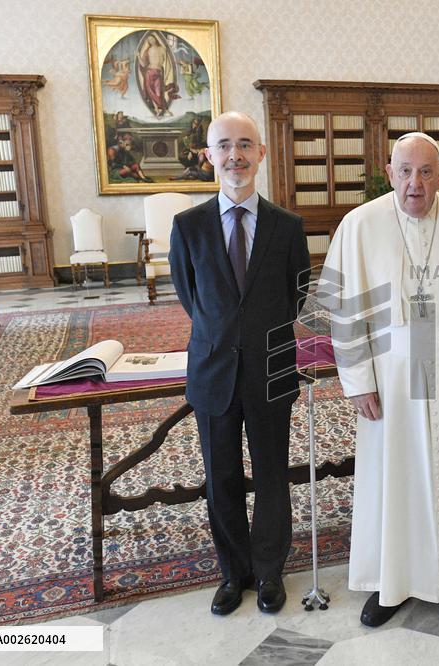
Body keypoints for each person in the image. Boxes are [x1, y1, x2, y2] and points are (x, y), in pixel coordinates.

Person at [318, 132, 439, 628]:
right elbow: (344, 311)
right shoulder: (359, 225)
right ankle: (393, 581)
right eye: (404, 171)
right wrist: (357, 379)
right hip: (392, 372)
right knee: (397, 473)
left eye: (426, 172)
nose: (414, 184)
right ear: (389, 171)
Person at [169, 111, 310, 616]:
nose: (236, 156)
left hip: (271, 371)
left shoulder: (289, 227)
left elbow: (296, 296)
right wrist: (225, 335)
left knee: (273, 475)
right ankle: (234, 573)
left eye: (245, 144)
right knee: (221, 477)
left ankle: (270, 572)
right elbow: (192, 299)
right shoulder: (187, 227)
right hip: (212, 373)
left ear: (261, 154)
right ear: (209, 156)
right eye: (224, 146)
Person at [137, 32, 179, 117]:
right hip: (149, 72)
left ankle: (165, 109)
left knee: (159, 92)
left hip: (158, 72)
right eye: (149, 40)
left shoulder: (162, 49)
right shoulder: (148, 51)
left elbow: (169, 65)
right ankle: (157, 109)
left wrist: (166, 75)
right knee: (150, 92)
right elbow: (143, 64)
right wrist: (138, 56)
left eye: (152, 39)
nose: (151, 41)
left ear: (155, 39)